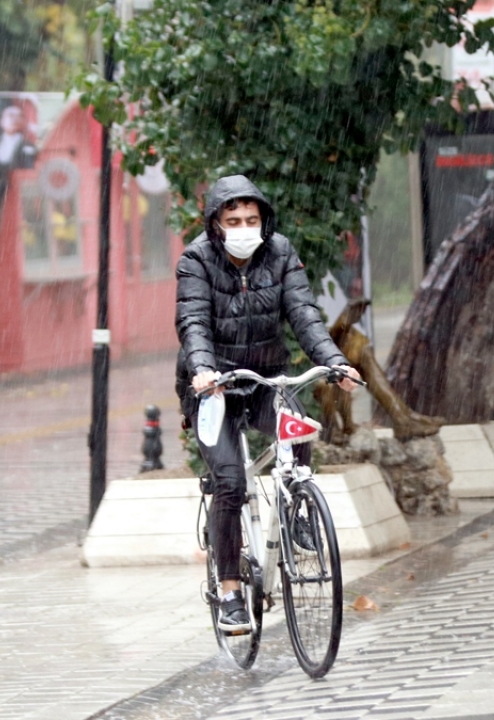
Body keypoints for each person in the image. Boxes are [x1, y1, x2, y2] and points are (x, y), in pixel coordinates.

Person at [176, 175, 360, 632]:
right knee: (231, 484)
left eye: (251, 219)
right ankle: (231, 592)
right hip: (213, 384)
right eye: (232, 219)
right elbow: (193, 320)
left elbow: (304, 314)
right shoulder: (195, 260)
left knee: (296, 423)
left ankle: (298, 506)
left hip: (263, 378)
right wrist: (202, 369)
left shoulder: (280, 254)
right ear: (216, 223)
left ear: (264, 220)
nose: (243, 227)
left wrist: (335, 363)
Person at [0, 104, 36, 172]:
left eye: (19, 116)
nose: (15, 119)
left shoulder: (29, 146)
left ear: (23, 121)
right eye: (11, 115)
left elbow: (28, 171)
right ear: (1, 121)